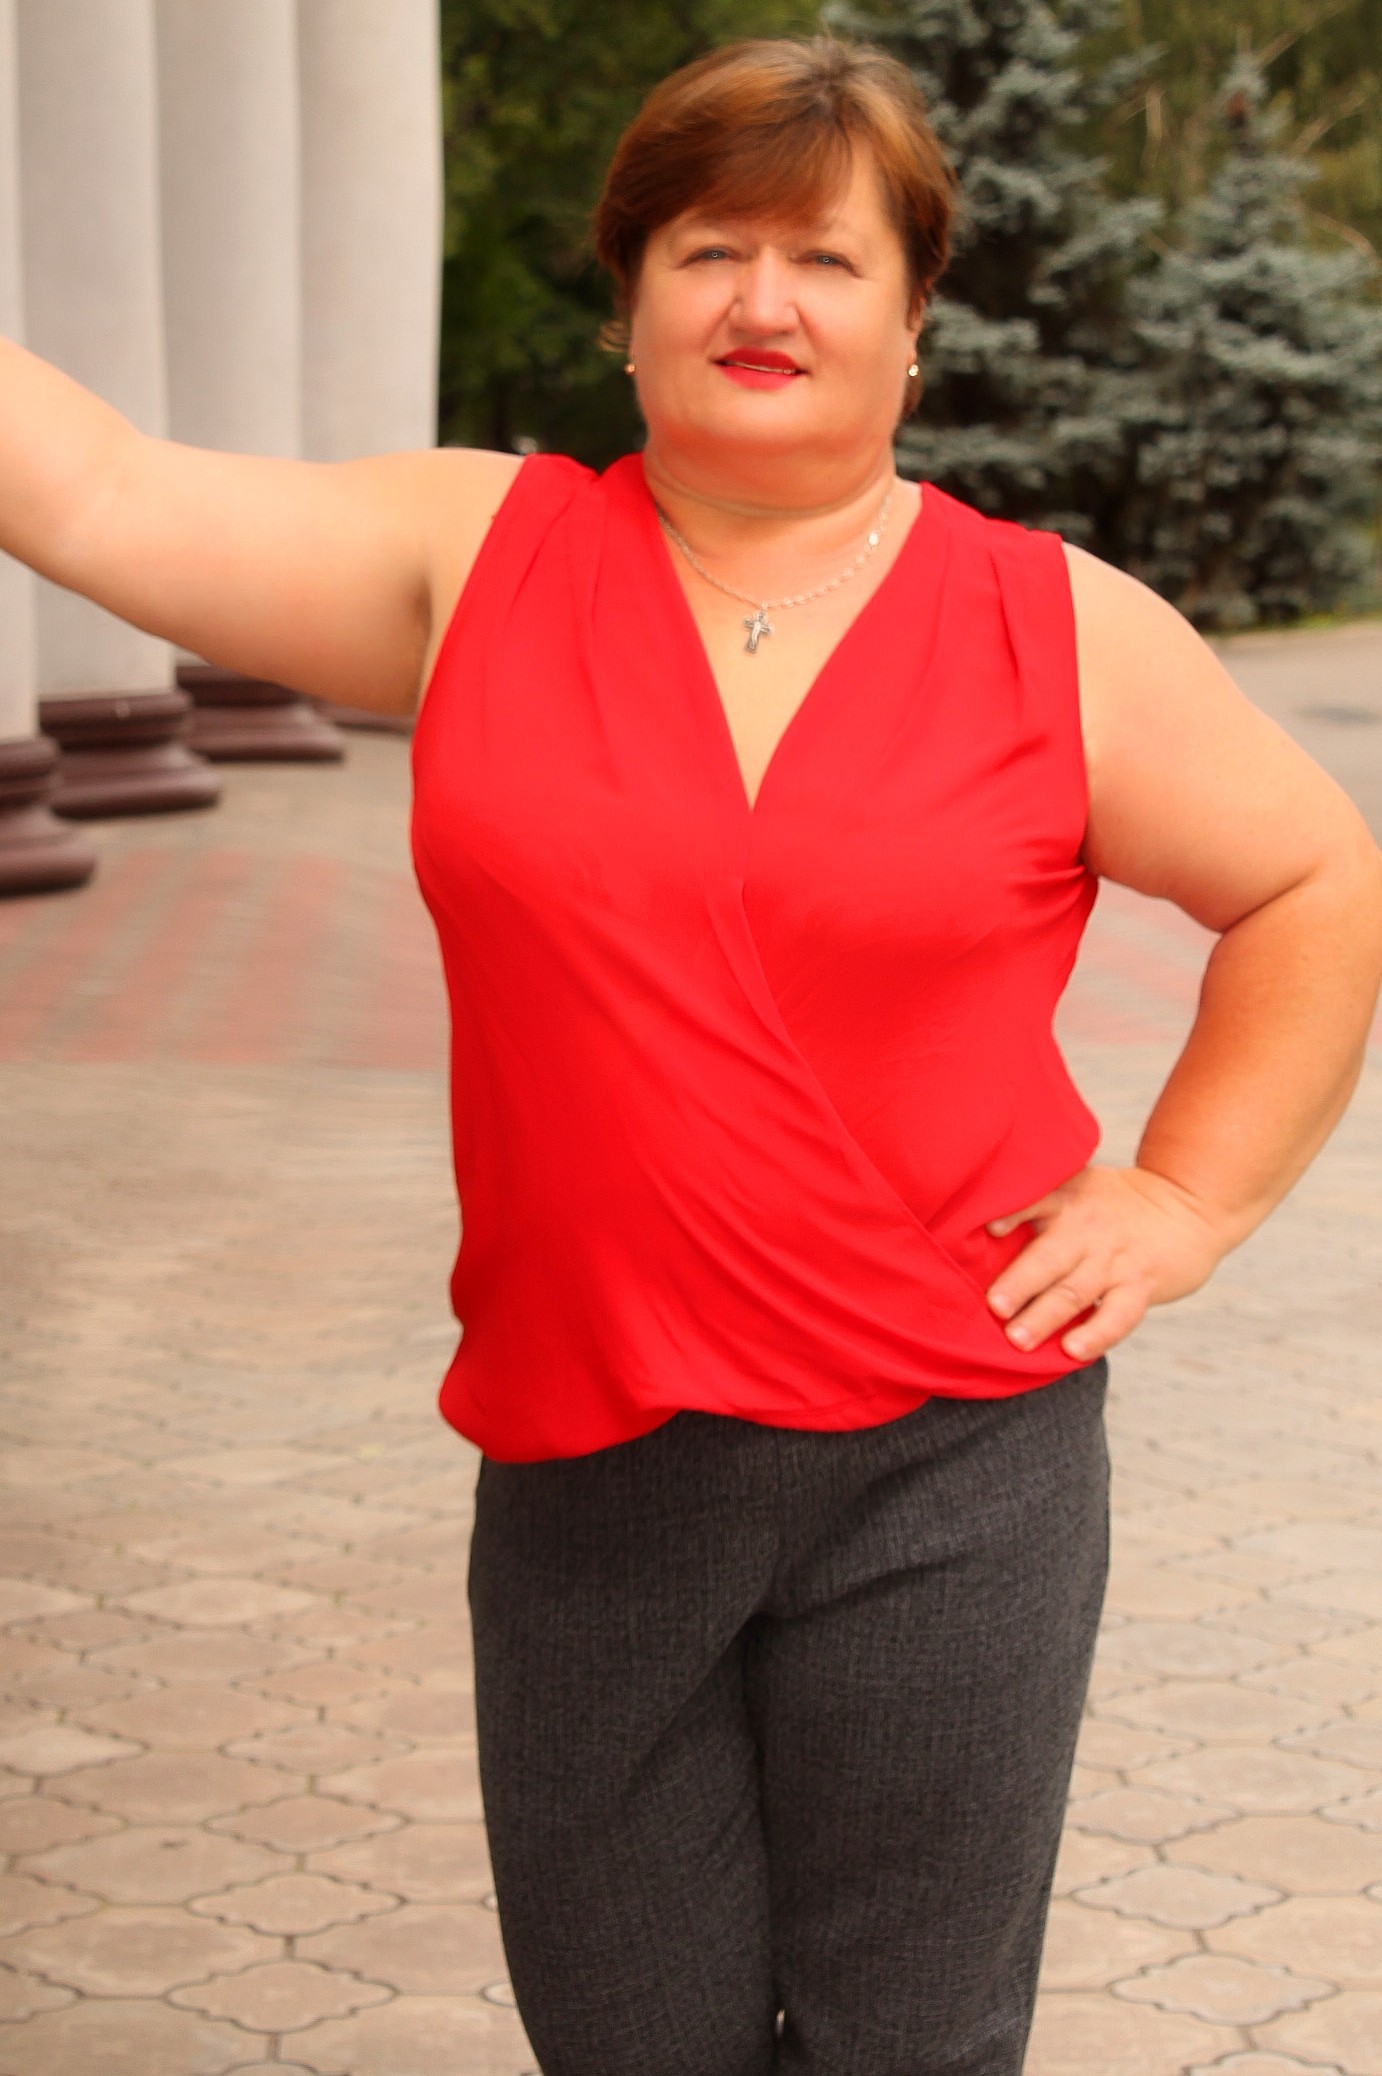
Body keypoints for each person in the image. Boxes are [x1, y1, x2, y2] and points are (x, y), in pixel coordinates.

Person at [4, 32, 1380, 2076]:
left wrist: (1187, 1197)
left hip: (949, 1465)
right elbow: (96, 489)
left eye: (824, 258)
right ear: (630, 299)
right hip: (589, 1462)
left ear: (911, 318)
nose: (762, 300)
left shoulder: (1055, 625)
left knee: (911, 2043)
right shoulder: (475, 556)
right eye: (708, 248)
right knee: (629, 2037)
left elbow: (1311, 880)